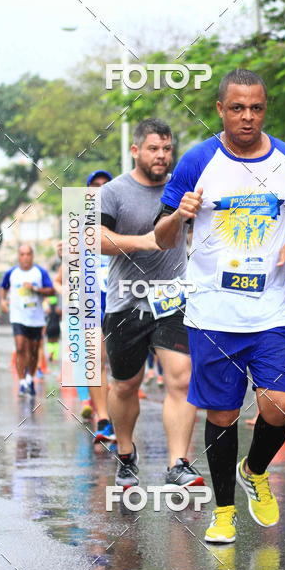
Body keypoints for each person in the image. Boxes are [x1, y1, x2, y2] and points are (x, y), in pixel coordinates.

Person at [154, 69, 285, 543]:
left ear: (264, 109)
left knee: (279, 405)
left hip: (271, 311)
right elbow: (161, 233)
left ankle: (255, 469)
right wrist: (179, 217)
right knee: (223, 415)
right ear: (220, 110)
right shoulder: (196, 161)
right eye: (237, 108)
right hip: (212, 314)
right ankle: (223, 511)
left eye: (256, 108)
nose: (247, 117)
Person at [100, 119, 202, 488]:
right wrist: (148, 241)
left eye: (167, 149)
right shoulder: (113, 192)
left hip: (173, 299)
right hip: (125, 303)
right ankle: (126, 453)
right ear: (136, 150)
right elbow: (94, 239)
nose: (162, 156)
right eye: (154, 149)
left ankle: (178, 463)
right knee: (126, 384)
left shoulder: (182, 189)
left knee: (182, 377)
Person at [0, 244, 56, 396]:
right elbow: (3, 287)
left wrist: (35, 289)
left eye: (28, 254)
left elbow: (51, 290)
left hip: (36, 317)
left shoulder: (40, 272)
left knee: (33, 350)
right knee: (19, 347)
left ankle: (30, 378)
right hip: (18, 316)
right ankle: (22, 382)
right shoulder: (12, 272)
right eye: (22, 254)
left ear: (32, 256)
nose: (25, 257)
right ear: (19, 256)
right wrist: (3, 301)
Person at [86, 169, 115, 443]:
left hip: (122, 296)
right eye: (95, 186)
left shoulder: (123, 218)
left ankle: (116, 414)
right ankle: (104, 420)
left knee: (121, 365)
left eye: (106, 186)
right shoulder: (78, 226)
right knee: (95, 360)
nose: (100, 190)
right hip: (92, 300)